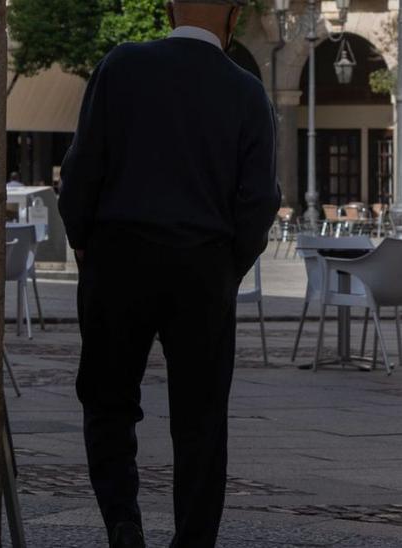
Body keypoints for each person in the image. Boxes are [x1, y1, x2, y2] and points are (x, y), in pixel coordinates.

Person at [57, 0, 280, 546]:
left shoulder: (121, 66)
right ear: (234, 15)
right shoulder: (247, 91)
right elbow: (259, 202)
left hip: (119, 256)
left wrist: (86, 244)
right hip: (202, 265)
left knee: (108, 400)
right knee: (201, 416)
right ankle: (193, 539)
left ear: (167, 9)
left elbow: (82, 171)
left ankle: (123, 521)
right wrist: (227, 267)